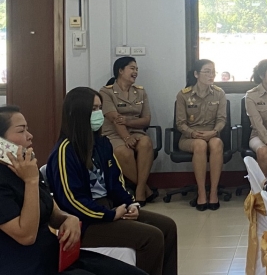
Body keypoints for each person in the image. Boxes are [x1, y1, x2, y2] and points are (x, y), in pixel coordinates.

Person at [0, 105, 146, 275]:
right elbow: (26, 236)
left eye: (27, 129)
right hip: (26, 266)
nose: (29, 135)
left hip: (54, 256)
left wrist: (68, 218)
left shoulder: (25, 169)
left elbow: (52, 211)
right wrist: (31, 182)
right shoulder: (17, 177)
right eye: (21, 130)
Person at [47, 87, 178, 275]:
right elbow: (72, 201)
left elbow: (116, 181)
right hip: (86, 222)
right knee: (152, 237)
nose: (99, 114)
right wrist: (109, 215)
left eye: (100, 108)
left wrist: (131, 204)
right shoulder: (65, 151)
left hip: (110, 209)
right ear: (78, 112)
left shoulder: (102, 143)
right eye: (93, 109)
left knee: (168, 226)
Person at [99, 57, 156, 205]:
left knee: (146, 142)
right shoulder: (106, 92)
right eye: (132, 68)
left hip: (136, 131)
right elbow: (114, 118)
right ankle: (145, 188)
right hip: (113, 134)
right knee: (124, 152)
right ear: (120, 70)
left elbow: (146, 120)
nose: (135, 72)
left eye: (136, 69)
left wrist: (128, 122)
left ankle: (139, 190)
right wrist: (126, 137)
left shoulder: (140, 92)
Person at [175, 59, 227, 211]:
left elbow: (222, 119)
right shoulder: (183, 95)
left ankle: (214, 192)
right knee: (200, 144)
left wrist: (214, 132)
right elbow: (180, 123)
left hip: (212, 134)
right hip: (189, 137)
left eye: (213, 72)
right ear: (196, 74)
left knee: (216, 143)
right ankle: (201, 192)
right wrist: (193, 133)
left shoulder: (219, 93)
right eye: (207, 72)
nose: (211, 75)